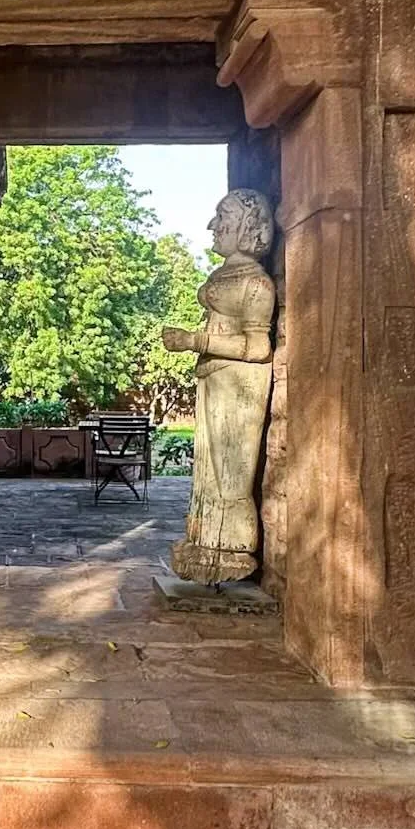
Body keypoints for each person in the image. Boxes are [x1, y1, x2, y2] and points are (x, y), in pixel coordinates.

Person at [162, 188, 276, 586]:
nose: (214, 225)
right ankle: (205, 540)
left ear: (248, 226)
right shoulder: (227, 275)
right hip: (216, 376)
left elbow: (259, 347)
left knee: (230, 472)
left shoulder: (257, 285)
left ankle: (229, 547)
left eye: (223, 216)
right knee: (208, 469)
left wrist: (196, 341)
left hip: (240, 381)